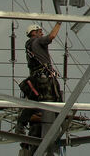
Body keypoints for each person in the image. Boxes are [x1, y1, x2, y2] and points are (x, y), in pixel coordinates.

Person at [16, 22, 63, 152]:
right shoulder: (37, 41)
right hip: (44, 79)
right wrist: (59, 23)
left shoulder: (29, 45)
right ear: (34, 32)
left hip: (36, 78)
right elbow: (52, 36)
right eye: (40, 31)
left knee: (33, 102)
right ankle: (60, 122)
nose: (42, 33)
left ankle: (21, 124)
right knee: (56, 101)